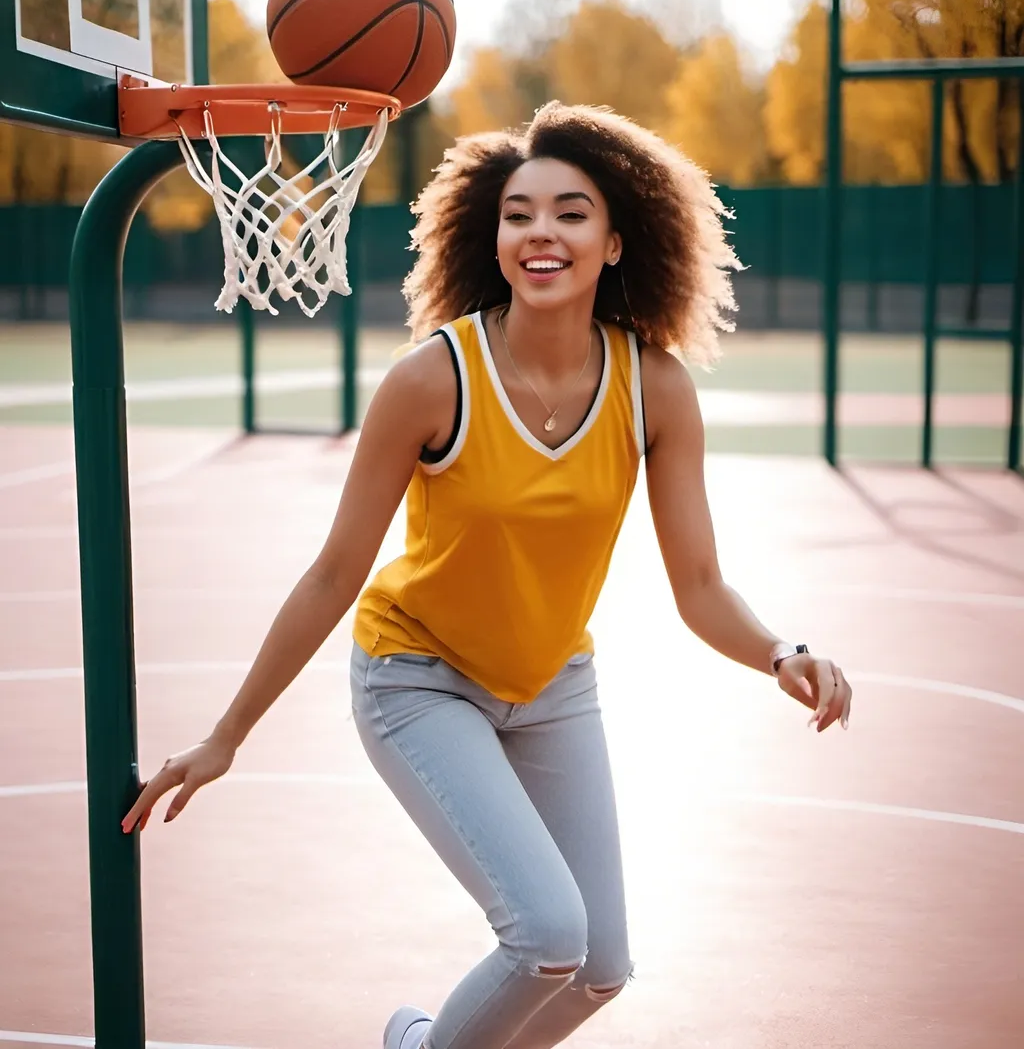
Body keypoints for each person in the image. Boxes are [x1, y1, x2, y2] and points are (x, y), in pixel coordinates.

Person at [122, 101, 853, 1049]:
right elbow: (335, 570)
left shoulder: (655, 388)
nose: (540, 231)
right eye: (519, 214)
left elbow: (701, 583)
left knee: (599, 973)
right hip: (416, 676)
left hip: (552, 684)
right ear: (494, 235)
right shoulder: (433, 379)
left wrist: (779, 651)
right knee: (548, 935)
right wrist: (227, 735)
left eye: (570, 212)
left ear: (618, 241)